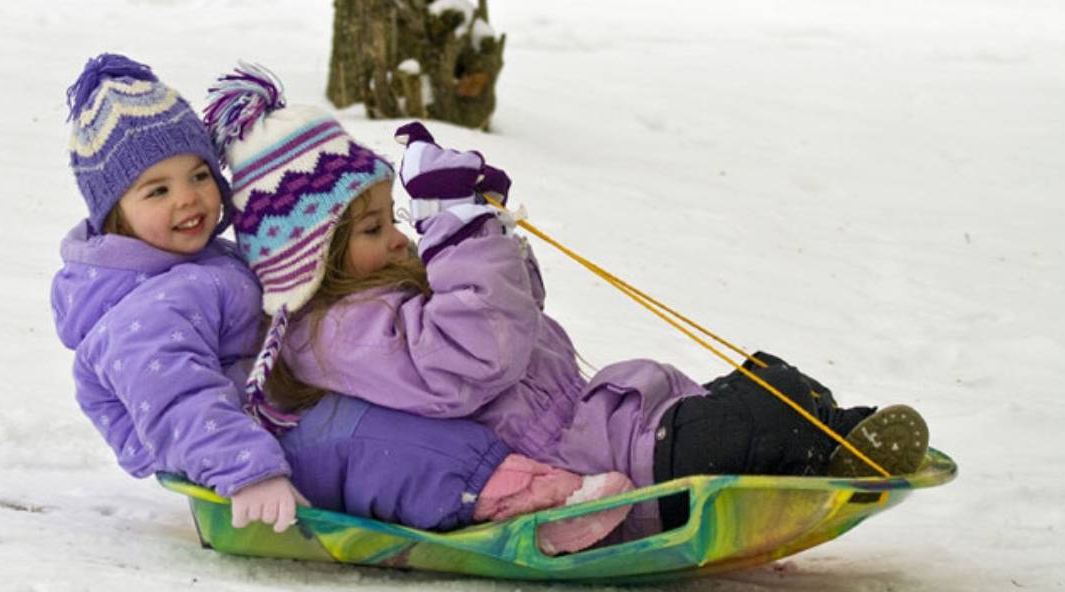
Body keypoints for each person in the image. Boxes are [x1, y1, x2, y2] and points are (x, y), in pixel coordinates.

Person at [214, 63, 932, 543]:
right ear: (314, 261)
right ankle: (827, 455)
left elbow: (516, 314)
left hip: (617, 416)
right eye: (372, 229)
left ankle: (846, 432)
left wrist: (484, 229)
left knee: (769, 380)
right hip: (598, 461)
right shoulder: (341, 335)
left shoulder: (387, 291)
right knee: (749, 426)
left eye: (394, 217)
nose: (399, 238)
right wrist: (461, 240)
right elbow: (475, 358)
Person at [52, 54, 634, 555]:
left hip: (283, 417)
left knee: (410, 405)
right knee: (395, 444)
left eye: (199, 175)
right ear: (114, 214)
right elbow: (177, 400)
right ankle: (529, 505)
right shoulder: (142, 311)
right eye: (158, 190)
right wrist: (248, 474)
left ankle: (539, 474)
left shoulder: (203, 262)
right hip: (255, 451)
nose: (189, 199)